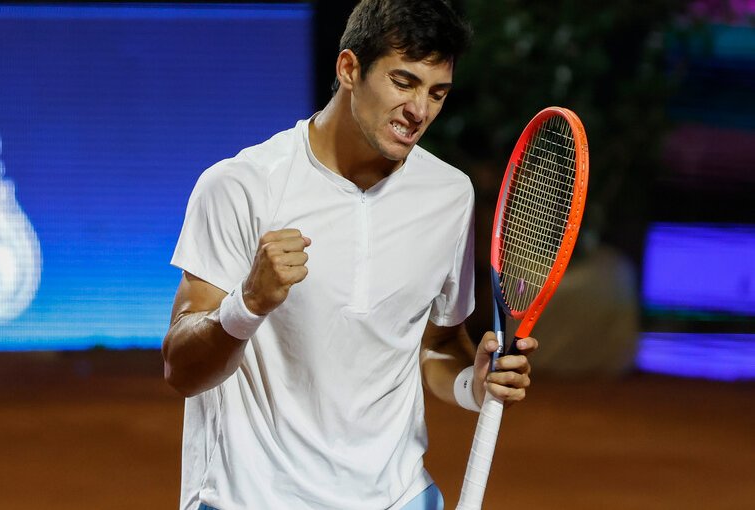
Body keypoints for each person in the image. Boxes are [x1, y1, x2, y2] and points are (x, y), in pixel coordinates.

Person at [163, 1, 537, 508]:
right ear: (349, 69)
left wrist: (478, 383)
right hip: (250, 497)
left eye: (437, 93)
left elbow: (437, 344)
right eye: (403, 83)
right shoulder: (239, 186)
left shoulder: (450, 194)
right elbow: (181, 371)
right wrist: (247, 304)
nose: (419, 111)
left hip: (396, 494)